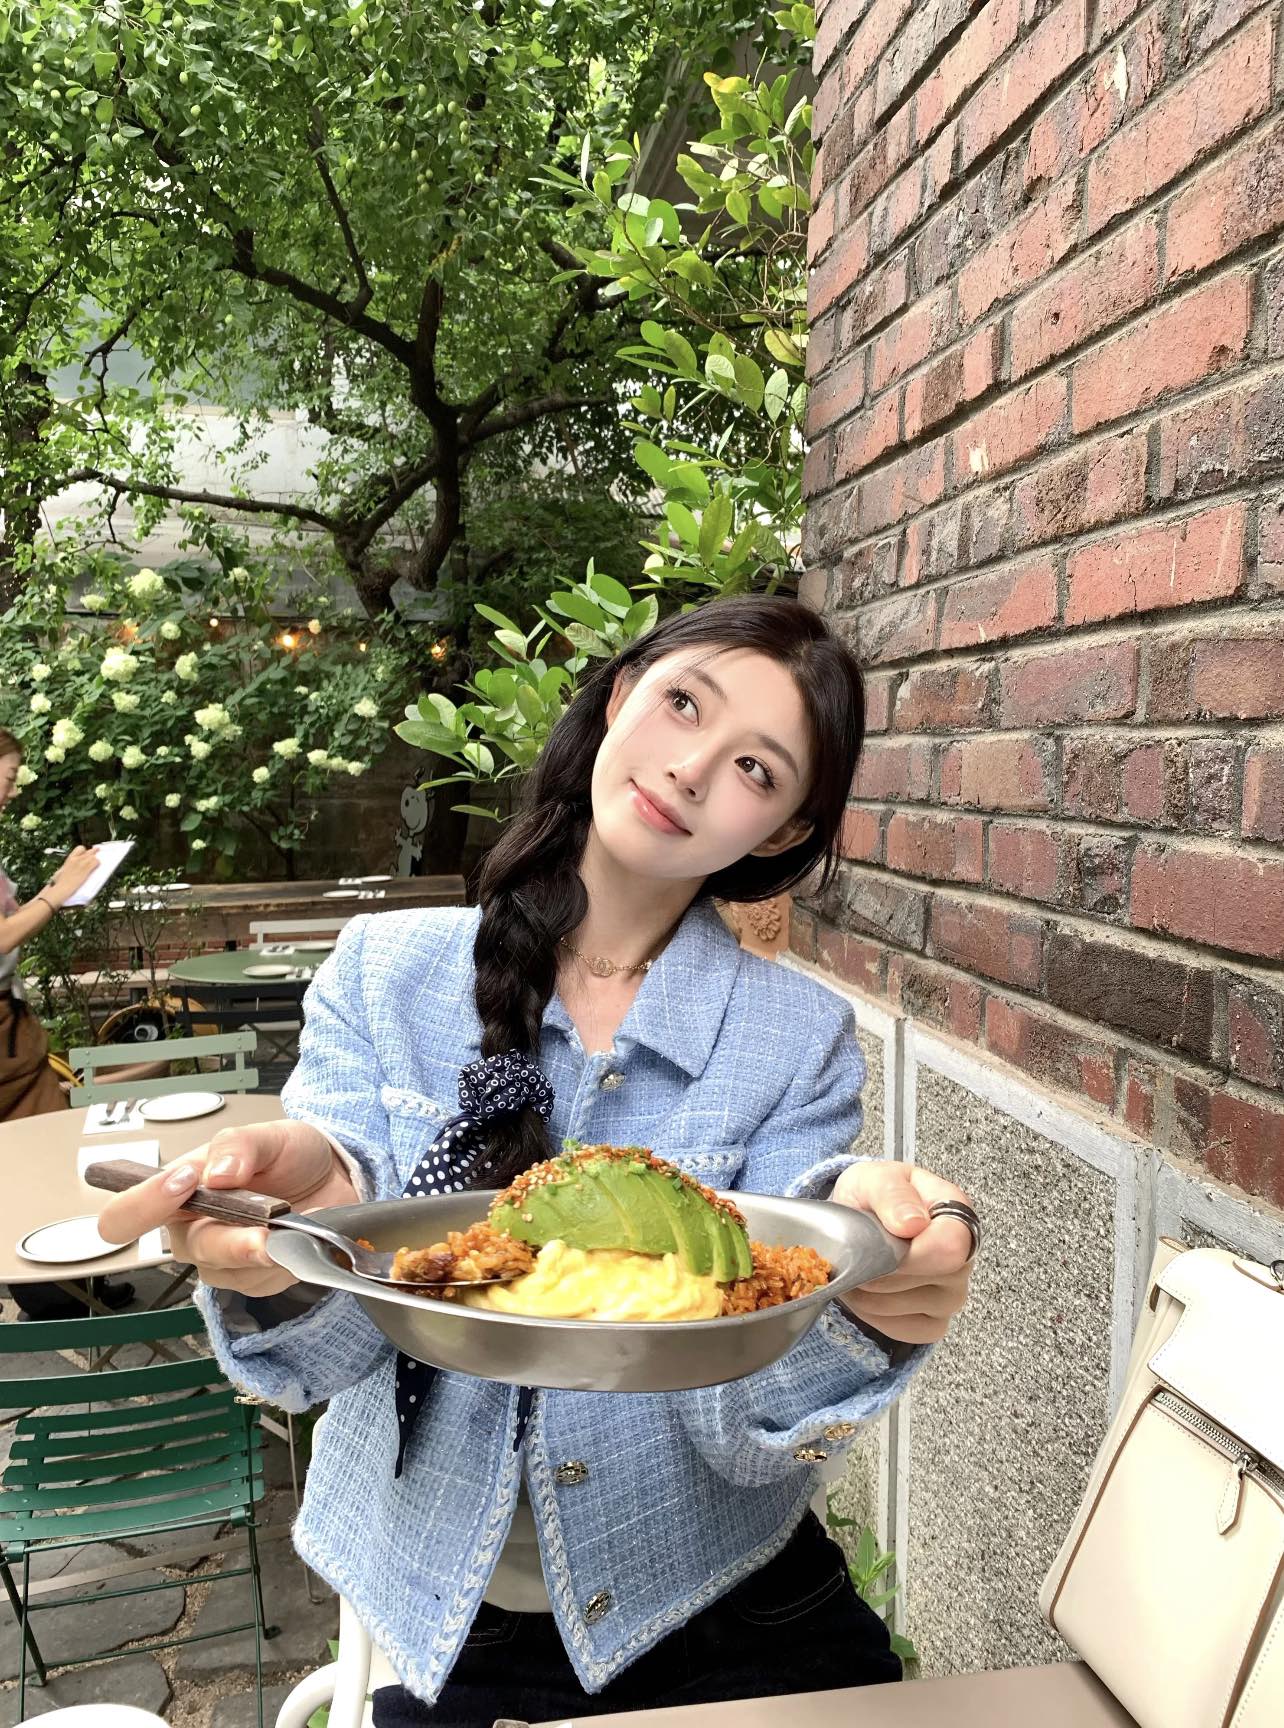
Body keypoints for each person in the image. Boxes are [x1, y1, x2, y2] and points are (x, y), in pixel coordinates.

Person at [99, 597, 978, 1726]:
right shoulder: (384, 972)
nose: (693, 769)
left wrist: (861, 1298)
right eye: (682, 705)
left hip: (728, 1613)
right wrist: (298, 1243)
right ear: (619, 700)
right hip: (444, 1620)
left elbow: (747, 1427)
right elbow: (314, 1367)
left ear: (780, 832)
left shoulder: (794, 1039)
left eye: (756, 768)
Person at [0, 731, 136, 1318]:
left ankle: (68, 1285)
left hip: (13, 1033)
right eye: (8, 777)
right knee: (37, 1160)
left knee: (46, 1154)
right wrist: (58, 892)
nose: (12, 791)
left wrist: (60, 889)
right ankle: (54, 1294)